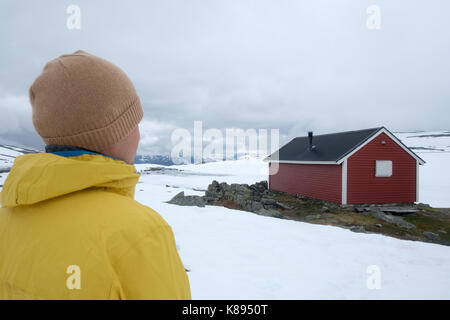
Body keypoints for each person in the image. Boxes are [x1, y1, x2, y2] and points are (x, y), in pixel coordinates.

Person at [0, 50, 191, 300]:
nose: (139, 136)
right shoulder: (141, 234)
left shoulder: (6, 218)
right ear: (112, 133)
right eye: (134, 123)